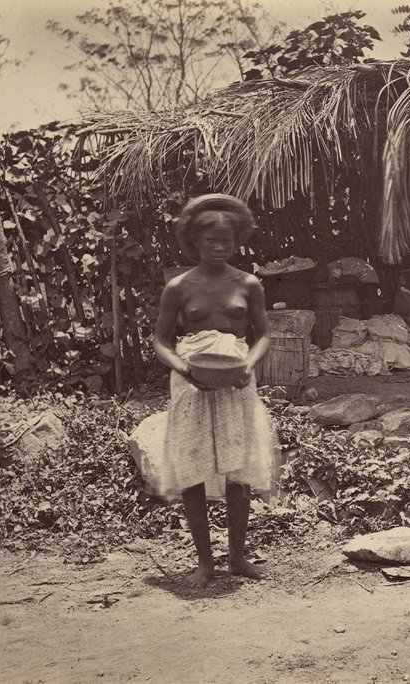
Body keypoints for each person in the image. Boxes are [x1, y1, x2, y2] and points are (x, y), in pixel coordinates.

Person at [151, 193, 280, 587]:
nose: (219, 247)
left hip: (237, 380)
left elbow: (264, 335)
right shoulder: (178, 287)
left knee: (237, 467)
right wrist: (185, 369)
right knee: (193, 468)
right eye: (211, 241)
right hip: (191, 382)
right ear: (195, 242)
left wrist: (248, 365)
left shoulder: (248, 284)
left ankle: (237, 558)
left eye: (226, 241)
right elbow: (160, 341)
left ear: (236, 241)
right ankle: (205, 562)